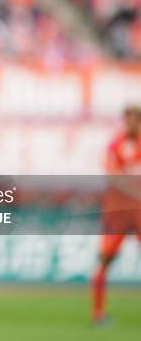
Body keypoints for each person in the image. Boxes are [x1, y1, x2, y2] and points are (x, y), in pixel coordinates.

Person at [92, 105, 141, 325]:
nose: (129, 124)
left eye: (134, 120)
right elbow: (113, 176)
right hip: (118, 212)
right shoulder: (116, 145)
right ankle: (98, 314)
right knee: (105, 260)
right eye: (127, 119)